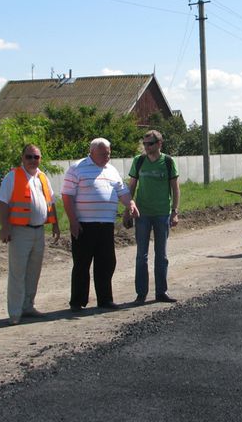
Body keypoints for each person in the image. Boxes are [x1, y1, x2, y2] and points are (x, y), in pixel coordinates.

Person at [62, 138, 139, 310]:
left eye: (109, 153)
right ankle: (77, 301)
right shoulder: (77, 168)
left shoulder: (111, 170)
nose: (107, 156)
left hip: (106, 224)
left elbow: (122, 191)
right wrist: (73, 221)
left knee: (106, 262)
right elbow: (67, 196)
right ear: (92, 152)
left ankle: (105, 299)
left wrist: (130, 204)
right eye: (103, 153)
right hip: (84, 224)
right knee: (82, 263)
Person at [0, 144, 60, 326]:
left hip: (38, 231)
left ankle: (28, 306)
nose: (33, 160)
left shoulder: (42, 177)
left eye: (36, 157)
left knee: (34, 271)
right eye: (29, 157)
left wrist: (55, 224)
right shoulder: (12, 177)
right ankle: (15, 312)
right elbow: (2, 202)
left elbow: (51, 201)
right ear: (22, 158)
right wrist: (5, 227)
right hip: (19, 232)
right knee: (18, 273)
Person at [126, 130, 180, 305]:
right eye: (145, 144)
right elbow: (132, 186)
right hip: (142, 214)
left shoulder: (168, 162)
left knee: (161, 255)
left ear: (159, 144)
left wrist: (175, 211)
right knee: (141, 255)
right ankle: (141, 294)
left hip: (162, 213)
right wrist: (128, 209)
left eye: (150, 144)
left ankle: (161, 292)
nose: (146, 147)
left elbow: (175, 188)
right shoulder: (138, 161)